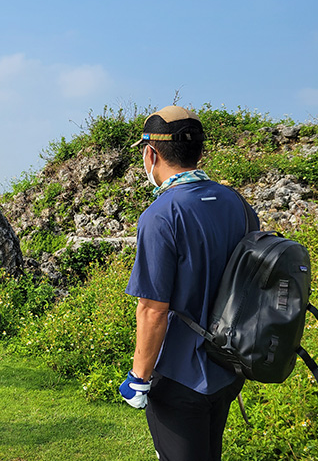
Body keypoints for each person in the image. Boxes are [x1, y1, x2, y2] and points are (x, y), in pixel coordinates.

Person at [118, 106, 259, 460]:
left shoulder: (161, 215)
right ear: (200, 152)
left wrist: (139, 377)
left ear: (151, 154)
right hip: (228, 367)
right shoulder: (238, 204)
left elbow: (152, 309)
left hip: (179, 376)